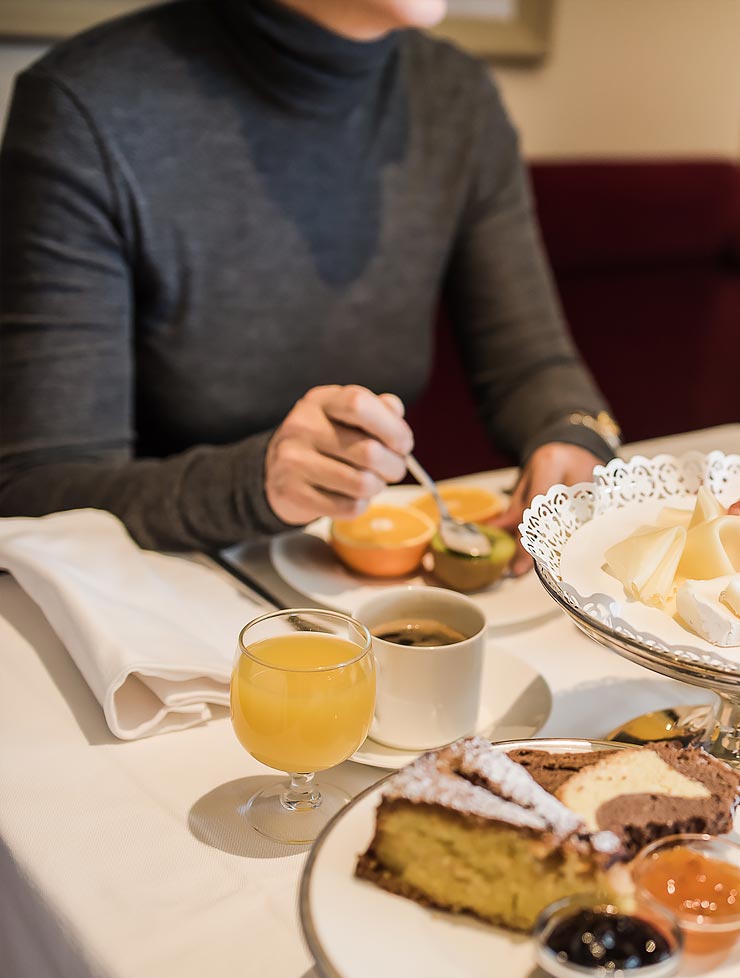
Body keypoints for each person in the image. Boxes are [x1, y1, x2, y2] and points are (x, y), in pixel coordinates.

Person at [0, 0, 618, 569]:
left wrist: (570, 435)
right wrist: (256, 482)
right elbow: (41, 487)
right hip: (162, 594)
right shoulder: (87, 107)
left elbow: (532, 365)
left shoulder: (458, 97)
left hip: (363, 592)